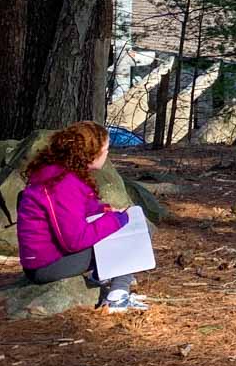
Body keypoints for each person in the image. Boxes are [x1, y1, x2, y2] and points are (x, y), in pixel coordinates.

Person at [16, 121, 149, 313]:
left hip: (45, 259)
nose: (107, 154)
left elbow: (75, 211)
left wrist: (103, 210)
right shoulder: (62, 183)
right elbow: (74, 240)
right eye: (105, 150)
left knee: (126, 225)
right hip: (46, 265)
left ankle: (104, 277)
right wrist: (116, 220)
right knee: (131, 234)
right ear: (90, 153)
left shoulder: (59, 174)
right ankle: (118, 296)